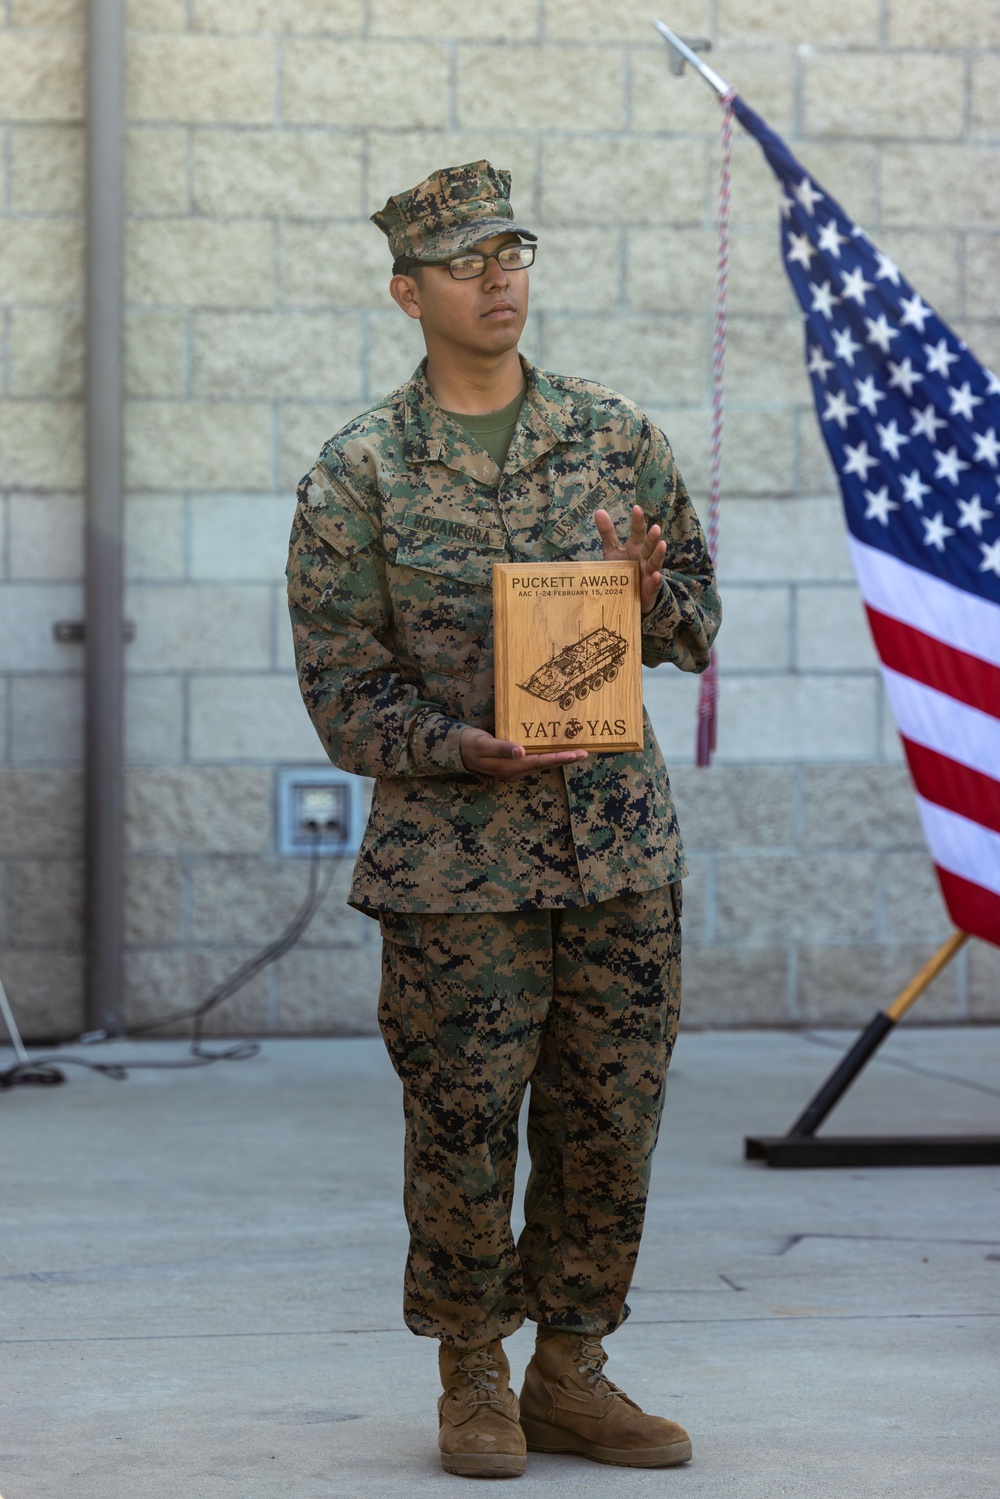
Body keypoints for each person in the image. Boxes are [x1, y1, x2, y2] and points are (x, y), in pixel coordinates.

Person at [286, 161, 720, 1480]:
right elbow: (342, 691)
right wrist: (452, 745)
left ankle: (572, 1370)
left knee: (610, 1119)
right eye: (467, 261)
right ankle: (472, 1373)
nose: (498, 278)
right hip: (453, 868)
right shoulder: (359, 472)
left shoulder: (615, 434)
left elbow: (696, 626)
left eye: (513, 251)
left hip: (617, 855)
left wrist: (647, 596)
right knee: (464, 1126)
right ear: (408, 289)